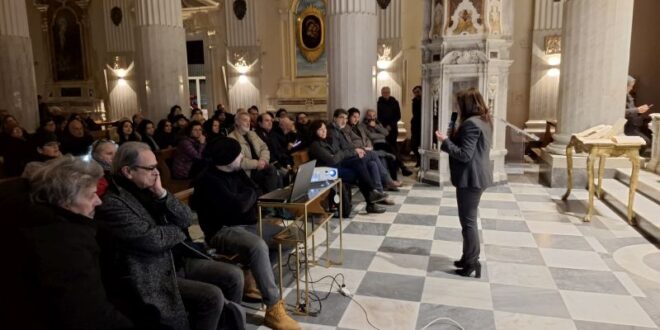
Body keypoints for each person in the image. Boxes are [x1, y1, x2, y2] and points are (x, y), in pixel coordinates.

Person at [95, 142, 239, 329]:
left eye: (156, 166)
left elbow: (187, 218)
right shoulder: (113, 202)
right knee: (212, 296)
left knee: (233, 275)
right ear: (128, 171)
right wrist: (177, 230)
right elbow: (153, 239)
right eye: (151, 168)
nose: (157, 173)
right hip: (151, 271)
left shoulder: (150, 189)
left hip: (176, 258)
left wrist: (162, 194)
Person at [1, 156, 133, 329]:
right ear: (65, 200)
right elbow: (89, 314)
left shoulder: (41, 222)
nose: (99, 201)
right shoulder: (63, 244)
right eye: (92, 195)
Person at [191, 138, 301, 330]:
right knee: (257, 245)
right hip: (221, 230)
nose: (242, 156)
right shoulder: (208, 180)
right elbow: (238, 206)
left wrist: (246, 196)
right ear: (226, 159)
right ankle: (273, 308)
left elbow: (254, 191)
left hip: (247, 224)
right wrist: (247, 196)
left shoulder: (236, 170)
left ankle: (255, 277)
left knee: (290, 235)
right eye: (238, 154)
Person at [435, 88, 492, 278]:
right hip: (475, 177)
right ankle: (467, 257)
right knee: (467, 222)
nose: (457, 108)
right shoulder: (482, 120)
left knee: (468, 223)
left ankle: (472, 262)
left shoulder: (471, 124)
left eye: (459, 104)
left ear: (466, 105)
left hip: (471, 179)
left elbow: (464, 155)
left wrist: (445, 141)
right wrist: (452, 133)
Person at [308, 119, 388, 214]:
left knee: (360, 163)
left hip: (338, 165)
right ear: (314, 131)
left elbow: (337, 155)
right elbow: (332, 160)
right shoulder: (315, 145)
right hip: (328, 171)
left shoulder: (326, 140)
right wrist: (339, 154)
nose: (324, 131)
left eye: (325, 128)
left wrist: (339, 154)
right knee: (360, 171)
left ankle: (372, 195)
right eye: (320, 129)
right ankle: (371, 198)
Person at [228, 111, 279, 194]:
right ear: (237, 122)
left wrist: (263, 160)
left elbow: (264, 148)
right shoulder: (231, 138)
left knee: (275, 173)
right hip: (247, 172)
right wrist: (257, 164)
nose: (248, 123)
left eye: (249, 121)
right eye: (245, 120)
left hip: (260, 166)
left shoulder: (252, 134)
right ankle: (270, 203)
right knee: (272, 171)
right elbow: (238, 161)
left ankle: (273, 203)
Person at [377, 86, 412, 177]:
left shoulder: (394, 102)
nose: (386, 94)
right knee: (392, 148)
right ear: (381, 93)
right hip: (383, 129)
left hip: (393, 129)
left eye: (387, 92)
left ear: (390, 92)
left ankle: (399, 166)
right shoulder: (378, 103)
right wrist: (385, 126)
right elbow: (379, 117)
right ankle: (401, 167)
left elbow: (398, 116)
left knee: (394, 147)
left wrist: (390, 125)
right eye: (384, 92)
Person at [624, 75, 653, 154]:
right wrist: (637, 110)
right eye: (630, 86)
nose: (631, 88)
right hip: (626, 128)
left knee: (647, 140)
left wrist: (640, 111)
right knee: (645, 142)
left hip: (634, 126)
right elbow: (621, 112)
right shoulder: (620, 96)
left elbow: (632, 110)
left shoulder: (629, 96)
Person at [411, 85, 422, 167]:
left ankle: (422, 161)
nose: (416, 94)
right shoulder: (414, 101)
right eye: (415, 93)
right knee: (414, 145)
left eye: (418, 92)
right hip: (415, 125)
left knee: (423, 144)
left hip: (423, 125)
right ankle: (418, 160)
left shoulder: (426, 101)